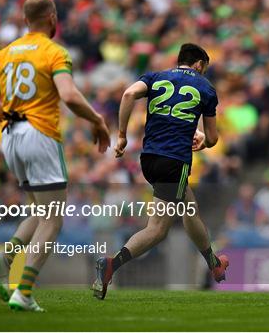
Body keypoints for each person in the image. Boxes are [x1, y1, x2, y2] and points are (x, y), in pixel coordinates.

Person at [0, 0, 110, 312]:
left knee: (40, 209)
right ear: (52, 17)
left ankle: (5, 256)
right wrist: (97, 119)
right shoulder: (53, 51)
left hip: (10, 137)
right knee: (53, 217)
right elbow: (68, 94)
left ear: (25, 20)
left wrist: (11, 119)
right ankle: (23, 292)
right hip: (40, 135)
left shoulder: (4, 53)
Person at [92, 43, 229, 300]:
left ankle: (213, 262)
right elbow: (212, 138)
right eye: (205, 69)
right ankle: (111, 264)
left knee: (189, 208)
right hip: (174, 160)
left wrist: (121, 136)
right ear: (199, 64)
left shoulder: (156, 77)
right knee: (157, 229)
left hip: (149, 159)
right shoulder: (205, 88)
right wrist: (202, 141)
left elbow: (128, 94)